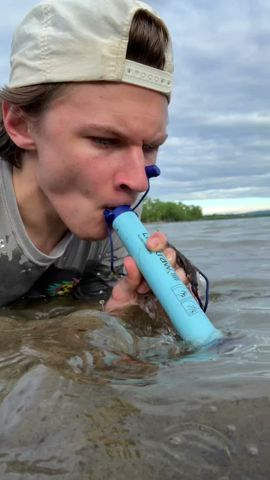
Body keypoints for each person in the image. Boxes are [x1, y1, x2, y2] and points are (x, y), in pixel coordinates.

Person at [0, 0, 204, 315]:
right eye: (105, 141)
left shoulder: (104, 219)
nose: (138, 179)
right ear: (20, 124)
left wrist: (128, 323)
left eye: (149, 146)